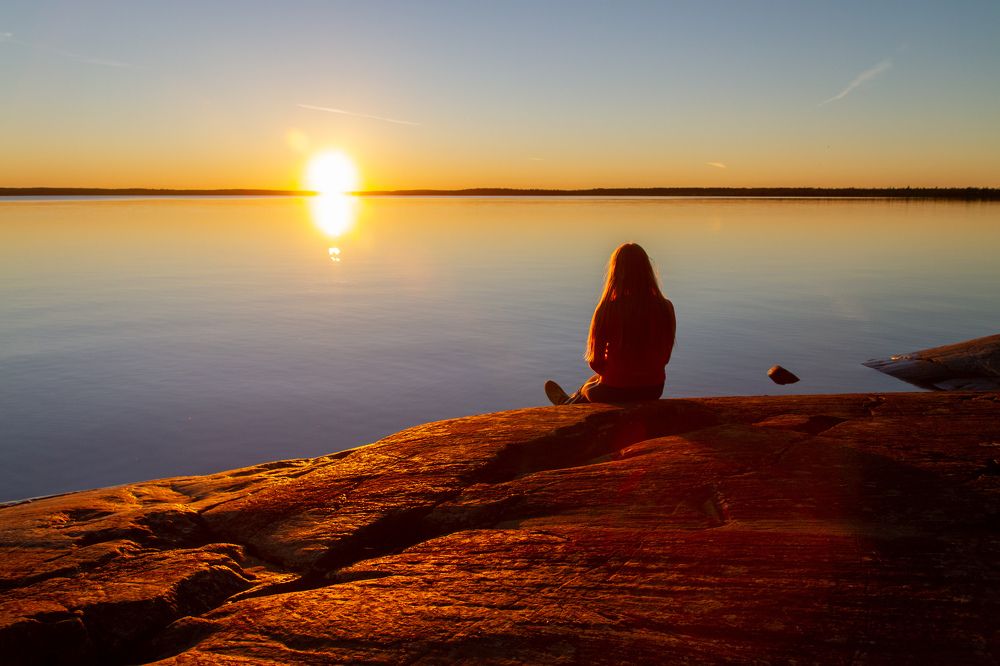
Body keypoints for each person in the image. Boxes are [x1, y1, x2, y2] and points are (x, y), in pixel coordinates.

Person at [545, 242, 676, 405]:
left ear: (615, 273)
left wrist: (619, 375)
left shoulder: (607, 309)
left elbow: (595, 362)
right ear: (647, 271)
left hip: (615, 392)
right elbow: (665, 357)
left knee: (588, 388)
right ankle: (570, 400)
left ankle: (567, 405)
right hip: (653, 389)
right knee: (594, 380)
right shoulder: (666, 307)